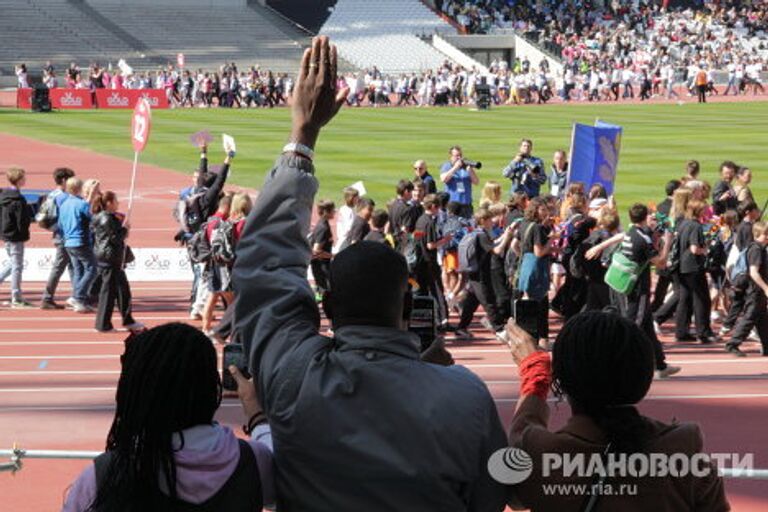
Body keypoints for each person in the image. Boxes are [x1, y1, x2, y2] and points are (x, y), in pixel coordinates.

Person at [233, 36, 506, 511]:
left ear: (329, 308)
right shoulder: (465, 396)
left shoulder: (294, 374)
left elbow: (264, 265)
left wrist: (303, 134)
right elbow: (491, 495)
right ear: (407, 307)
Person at [504, 312, 729, 511]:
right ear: (643, 376)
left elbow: (515, 494)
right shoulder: (684, 454)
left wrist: (535, 375)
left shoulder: (542, 456)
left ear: (561, 380)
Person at [61, 323, 275, 511]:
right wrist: (256, 413)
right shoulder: (255, 461)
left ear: (136, 393)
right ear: (210, 387)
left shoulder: (105, 476)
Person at [589, 203, 680, 379]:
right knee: (631, 328)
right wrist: (667, 243)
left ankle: (660, 365)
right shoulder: (643, 240)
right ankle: (618, 365)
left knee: (647, 328)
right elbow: (660, 262)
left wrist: (598, 247)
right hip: (638, 290)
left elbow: (621, 236)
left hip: (629, 285)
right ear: (645, 217)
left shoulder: (632, 232)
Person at [456, 208, 516, 340]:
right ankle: (499, 329)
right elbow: (497, 250)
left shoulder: (478, 233)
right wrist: (507, 237)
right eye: (489, 219)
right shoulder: (482, 235)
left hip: (475, 272)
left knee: (471, 301)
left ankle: (461, 327)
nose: (492, 222)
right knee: (488, 301)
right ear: (483, 221)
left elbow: (492, 243)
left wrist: (504, 234)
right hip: (481, 274)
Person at [91, 192, 143, 333]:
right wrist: (125, 229)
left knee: (123, 290)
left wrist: (122, 226)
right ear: (108, 202)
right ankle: (103, 325)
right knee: (108, 293)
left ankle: (128, 320)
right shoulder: (106, 218)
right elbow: (115, 238)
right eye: (116, 201)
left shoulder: (104, 217)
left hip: (111, 257)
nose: (118, 203)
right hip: (110, 258)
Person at [675, 200, 718, 344]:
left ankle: (681, 331)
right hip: (694, 266)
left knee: (685, 299)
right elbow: (694, 249)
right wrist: (705, 250)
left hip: (682, 265)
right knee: (702, 300)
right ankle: (703, 332)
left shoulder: (683, 223)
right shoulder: (695, 226)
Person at [726, 221, 768, 357]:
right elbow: (753, 272)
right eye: (765, 234)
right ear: (757, 234)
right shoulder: (756, 249)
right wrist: (765, 287)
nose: (767, 237)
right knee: (750, 317)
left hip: (756, 290)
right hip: (755, 290)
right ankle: (733, 343)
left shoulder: (758, 248)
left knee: (762, 319)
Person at [57, 178, 97, 313]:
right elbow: (92, 219)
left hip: (68, 241)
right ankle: (78, 297)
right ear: (79, 188)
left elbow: (60, 225)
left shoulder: (64, 204)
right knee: (92, 268)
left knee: (78, 270)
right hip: (80, 240)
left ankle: (80, 299)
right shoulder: (80, 204)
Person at [40, 167, 76, 310]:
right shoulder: (62, 197)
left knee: (73, 266)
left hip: (60, 234)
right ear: (64, 180)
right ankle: (47, 297)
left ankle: (78, 296)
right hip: (64, 235)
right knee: (61, 267)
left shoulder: (51, 195)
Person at [414, 194, 451, 326]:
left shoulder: (420, 220)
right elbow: (430, 245)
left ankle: (426, 318)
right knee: (437, 289)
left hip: (421, 261)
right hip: (430, 260)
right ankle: (443, 318)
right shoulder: (429, 222)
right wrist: (445, 240)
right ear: (434, 207)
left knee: (423, 289)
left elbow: (418, 239)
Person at [0, 167, 33, 308]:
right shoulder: (19, 199)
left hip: (6, 234)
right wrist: (24, 233)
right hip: (15, 236)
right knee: (17, 266)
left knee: (13, 263)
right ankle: (16, 296)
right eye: (23, 178)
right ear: (19, 180)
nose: (25, 180)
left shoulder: (3, 196)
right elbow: (22, 221)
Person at [440, 145, 479, 218]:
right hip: (452, 205)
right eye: (456, 156)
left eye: (460, 155)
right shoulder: (447, 166)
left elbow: (476, 182)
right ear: (451, 157)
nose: (459, 158)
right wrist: (455, 167)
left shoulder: (465, 167)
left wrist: (470, 170)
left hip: (466, 205)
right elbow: (443, 179)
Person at [310, 199, 335, 301]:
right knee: (326, 292)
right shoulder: (323, 227)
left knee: (323, 292)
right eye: (333, 210)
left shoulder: (323, 223)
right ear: (326, 212)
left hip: (321, 265)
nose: (335, 212)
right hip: (321, 266)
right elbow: (316, 250)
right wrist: (332, 255)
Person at [333, 186, 359, 253]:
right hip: (346, 240)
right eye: (357, 198)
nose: (358, 199)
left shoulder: (343, 208)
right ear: (351, 199)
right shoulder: (350, 211)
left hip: (341, 238)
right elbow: (350, 228)